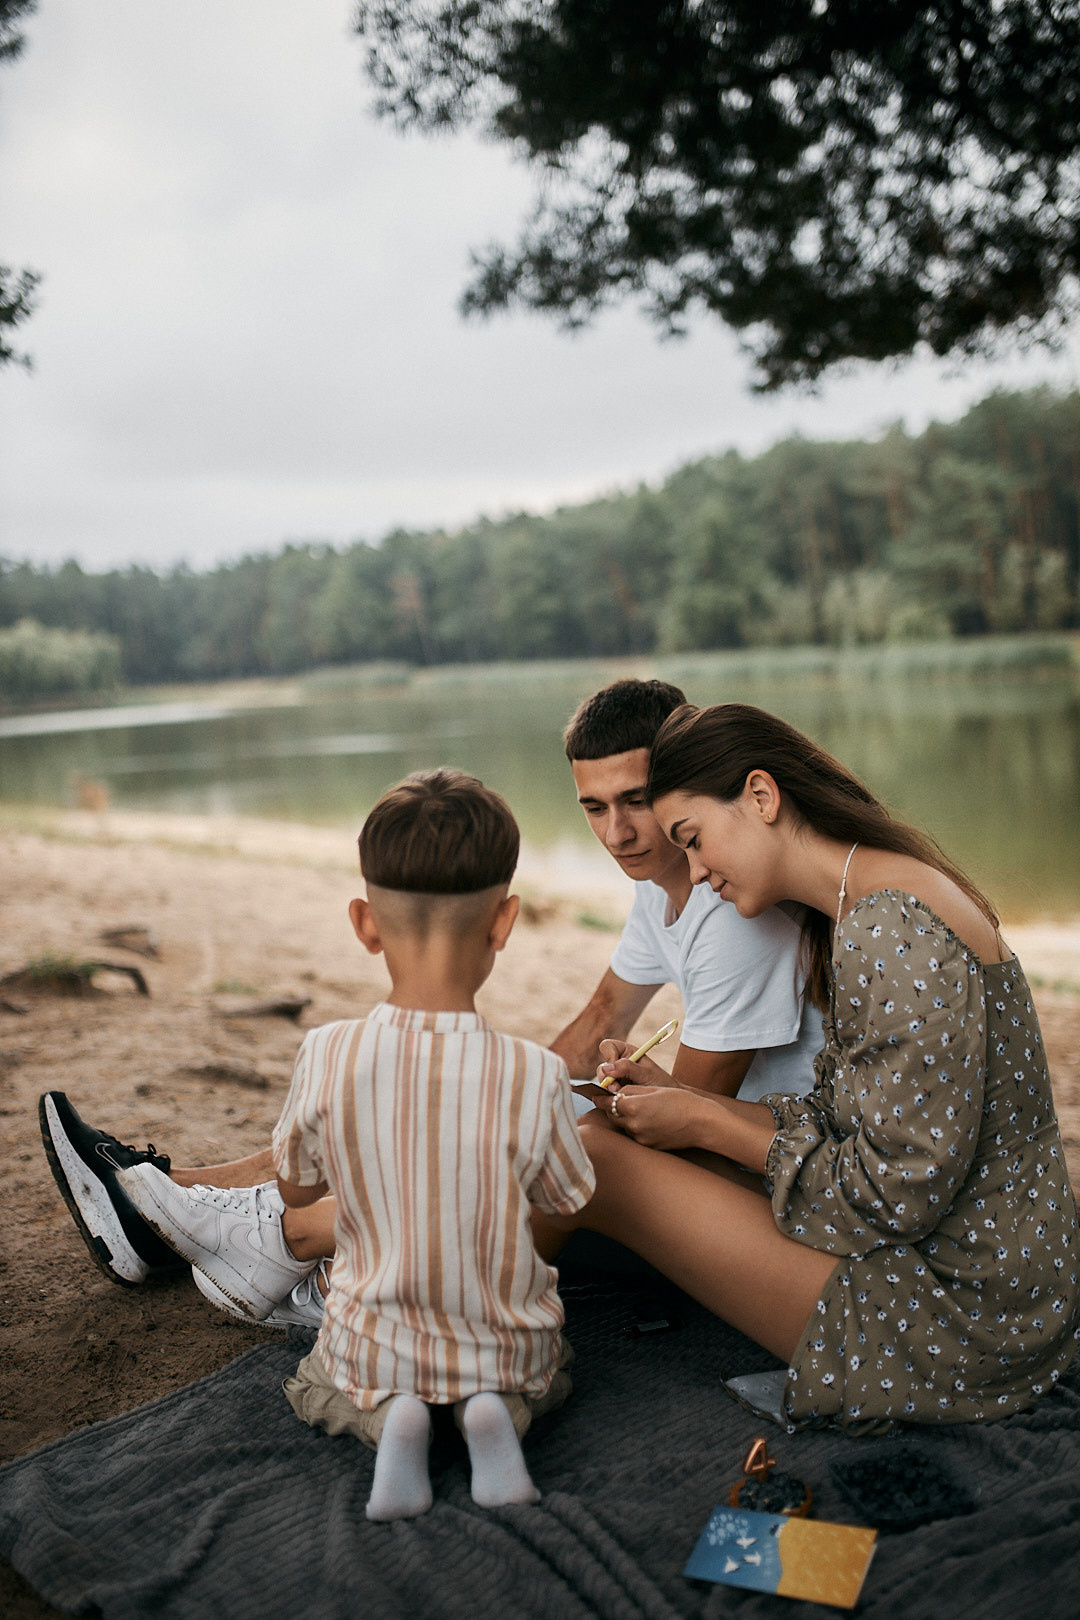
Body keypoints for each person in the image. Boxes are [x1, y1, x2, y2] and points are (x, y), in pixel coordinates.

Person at [39, 679, 822, 1322]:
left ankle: (246, 1232)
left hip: (753, 1191)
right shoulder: (665, 887)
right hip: (723, 1157)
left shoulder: (734, 918)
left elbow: (690, 1121)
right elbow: (595, 1025)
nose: (616, 833)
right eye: (592, 807)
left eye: (637, 800)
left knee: (484, 1142)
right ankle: (174, 1201)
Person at [533, 701, 1080, 1431]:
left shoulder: (889, 930)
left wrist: (709, 1123)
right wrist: (685, 1103)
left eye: (693, 841)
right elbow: (844, 1123)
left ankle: (467, 1343)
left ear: (761, 797)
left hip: (966, 1324)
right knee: (597, 1151)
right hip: (995, 1286)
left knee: (587, 1159)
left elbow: (890, 1197)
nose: (694, 874)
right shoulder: (878, 901)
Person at [122, 769, 595, 1520]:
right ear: (504, 923)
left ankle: (394, 1419)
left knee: (319, 1383)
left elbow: (298, 1192)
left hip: (374, 1344)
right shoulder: (534, 1072)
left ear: (364, 923)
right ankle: (491, 1412)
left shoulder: (329, 1054)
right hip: (502, 1339)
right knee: (551, 1367)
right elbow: (570, 1198)